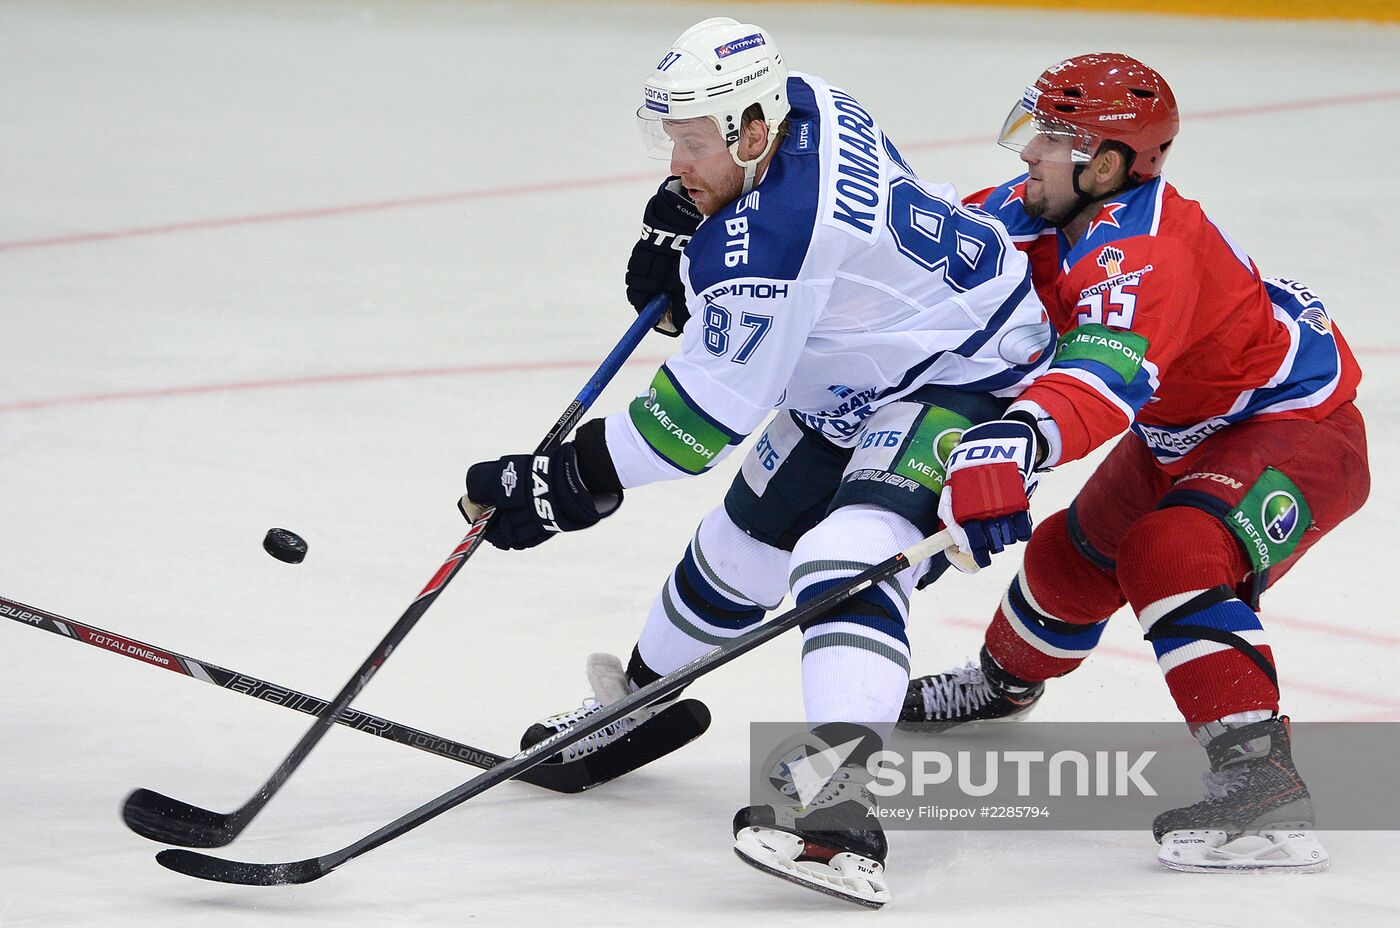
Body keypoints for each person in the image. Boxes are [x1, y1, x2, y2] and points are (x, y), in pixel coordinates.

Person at [462, 17, 1057, 908]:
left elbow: (694, 427)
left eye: (692, 143)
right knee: (739, 547)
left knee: (845, 561)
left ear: (749, 128)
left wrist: (562, 483)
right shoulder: (804, 98)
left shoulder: (773, 246)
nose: (675, 162)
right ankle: (638, 705)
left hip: (969, 373)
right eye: (669, 139)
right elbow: (777, 264)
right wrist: (686, 245)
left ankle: (841, 817)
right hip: (862, 365)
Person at [897, 53, 1368, 873]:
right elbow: (922, 238)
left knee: (1169, 554)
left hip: (1297, 427)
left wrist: (1016, 438)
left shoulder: (1144, 252)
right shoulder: (1046, 206)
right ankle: (1005, 683)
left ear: (1107, 163)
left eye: (1050, 137)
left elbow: (1099, 379)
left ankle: (1263, 785)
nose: (1026, 154)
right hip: (1184, 428)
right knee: (1067, 563)